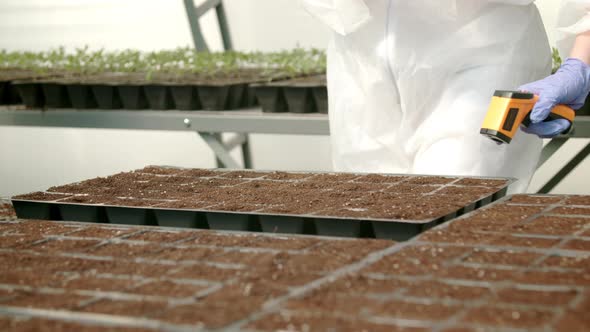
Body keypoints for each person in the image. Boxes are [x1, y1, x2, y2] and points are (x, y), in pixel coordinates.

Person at [301, 0, 590, 193]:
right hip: (358, 48)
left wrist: (580, 63)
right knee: (362, 211)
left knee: (453, 208)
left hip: (481, 50)